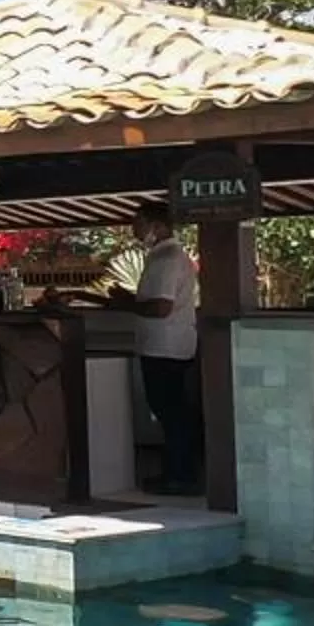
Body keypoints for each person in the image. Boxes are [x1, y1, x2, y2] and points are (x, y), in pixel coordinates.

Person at [129, 207, 202, 493]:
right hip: (167, 344)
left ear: (156, 226)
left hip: (165, 346)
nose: (135, 229)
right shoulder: (164, 256)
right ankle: (177, 472)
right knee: (172, 411)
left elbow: (161, 307)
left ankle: (180, 476)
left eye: (139, 223)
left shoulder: (168, 258)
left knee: (171, 412)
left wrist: (124, 304)